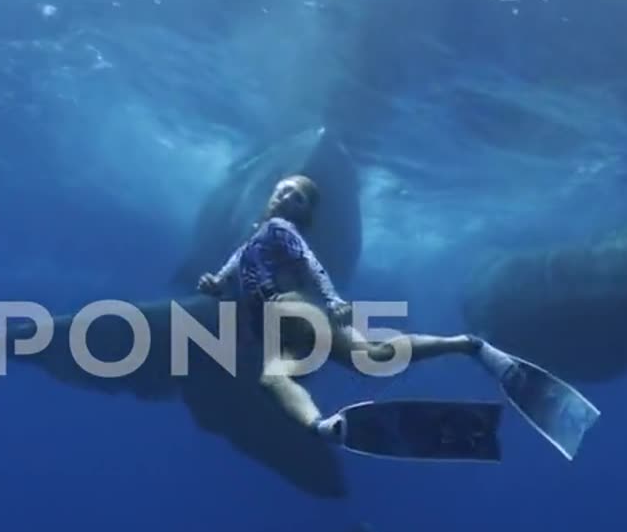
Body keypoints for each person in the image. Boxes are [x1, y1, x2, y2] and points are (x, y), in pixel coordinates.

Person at [197, 174, 484, 442]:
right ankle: (462, 344)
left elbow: (311, 264)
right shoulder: (249, 245)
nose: (286, 198)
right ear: (271, 195)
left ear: (305, 213)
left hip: (289, 310)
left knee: (275, 378)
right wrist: (213, 285)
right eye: (283, 190)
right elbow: (225, 278)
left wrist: (333, 299)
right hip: (282, 325)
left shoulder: (280, 229)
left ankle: (319, 425)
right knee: (372, 358)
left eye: (298, 198)